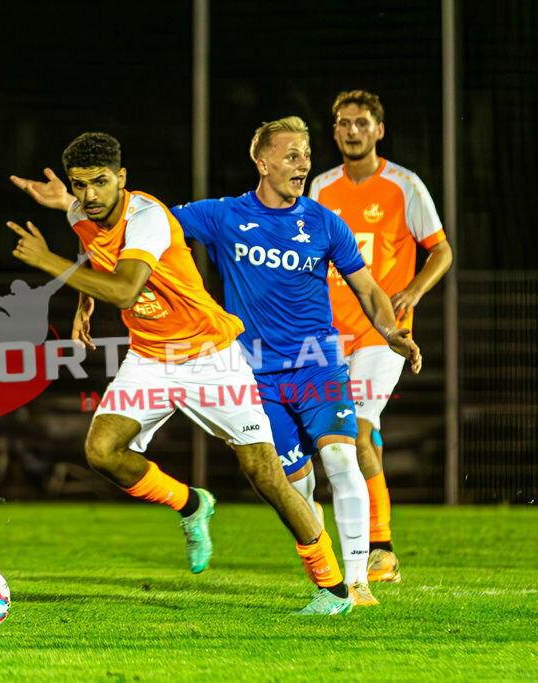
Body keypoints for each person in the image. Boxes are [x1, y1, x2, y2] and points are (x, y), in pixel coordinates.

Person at [9, 132, 354, 615]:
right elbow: (94, 247)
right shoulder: (82, 211)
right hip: (150, 360)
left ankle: (333, 587)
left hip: (211, 358)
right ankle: (191, 504)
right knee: (101, 452)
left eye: (100, 183)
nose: (89, 195)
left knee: (265, 474)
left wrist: (48, 262)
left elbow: (127, 289)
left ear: (122, 179)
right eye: (79, 184)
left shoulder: (148, 217)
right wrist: (83, 297)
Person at [161, 117, 421, 606]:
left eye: (305, 154)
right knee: (297, 488)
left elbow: (367, 288)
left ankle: (359, 581)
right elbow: (152, 228)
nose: (302, 164)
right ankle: (327, 567)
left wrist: (391, 333)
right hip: (257, 376)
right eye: (291, 155)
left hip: (319, 366)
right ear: (262, 162)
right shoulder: (222, 215)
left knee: (342, 458)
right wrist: (81, 216)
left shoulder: (323, 222)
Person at [309, 90, 452, 583]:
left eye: (362, 122)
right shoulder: (321, 189)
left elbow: (440, 250)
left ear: (378, 130)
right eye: (344, 123)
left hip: (381, 334)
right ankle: (352, 538)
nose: (352, 130)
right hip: (329, 337)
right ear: (334, 132)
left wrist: (411, 290)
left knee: (359, 432)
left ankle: (382, 548)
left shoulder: (404, 185)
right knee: (335, 439)